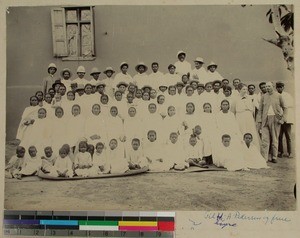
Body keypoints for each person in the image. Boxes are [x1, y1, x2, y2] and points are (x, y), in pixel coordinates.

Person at [257, 82, 287, 163]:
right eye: (266, 86)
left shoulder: (278, 96)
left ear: (273, 87)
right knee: (265, 140)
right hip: (265, 120)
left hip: (275, 119)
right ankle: (264, 158)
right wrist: (259, 120)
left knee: (274, 139)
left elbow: (285, 108)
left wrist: (282, 119)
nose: (267, 88)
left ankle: (274, 157)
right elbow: (260, 110)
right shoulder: (263, 96)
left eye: (269, 86)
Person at [231, 83, 260, 147]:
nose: (245, 91)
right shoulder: (235, 99)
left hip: (249, 118)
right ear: (239, 90)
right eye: (243, 89)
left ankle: (251, 148)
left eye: (246, 89)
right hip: (240, 118)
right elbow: (232, 111)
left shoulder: (249, 98)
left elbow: (253, 110)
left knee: (250, 131)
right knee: (241, 131)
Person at [276, 81, 294, 158]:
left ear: (283, 87)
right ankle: (280, 151)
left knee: (288, 136)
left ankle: (290, 152)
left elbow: (289, 105)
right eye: (278, 87)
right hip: (279, 118)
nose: (279, 88)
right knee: (279, 136)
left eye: (281, 87)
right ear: (276, 88)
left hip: (286, 118)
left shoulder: (287, 95)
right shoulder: (275, 95)